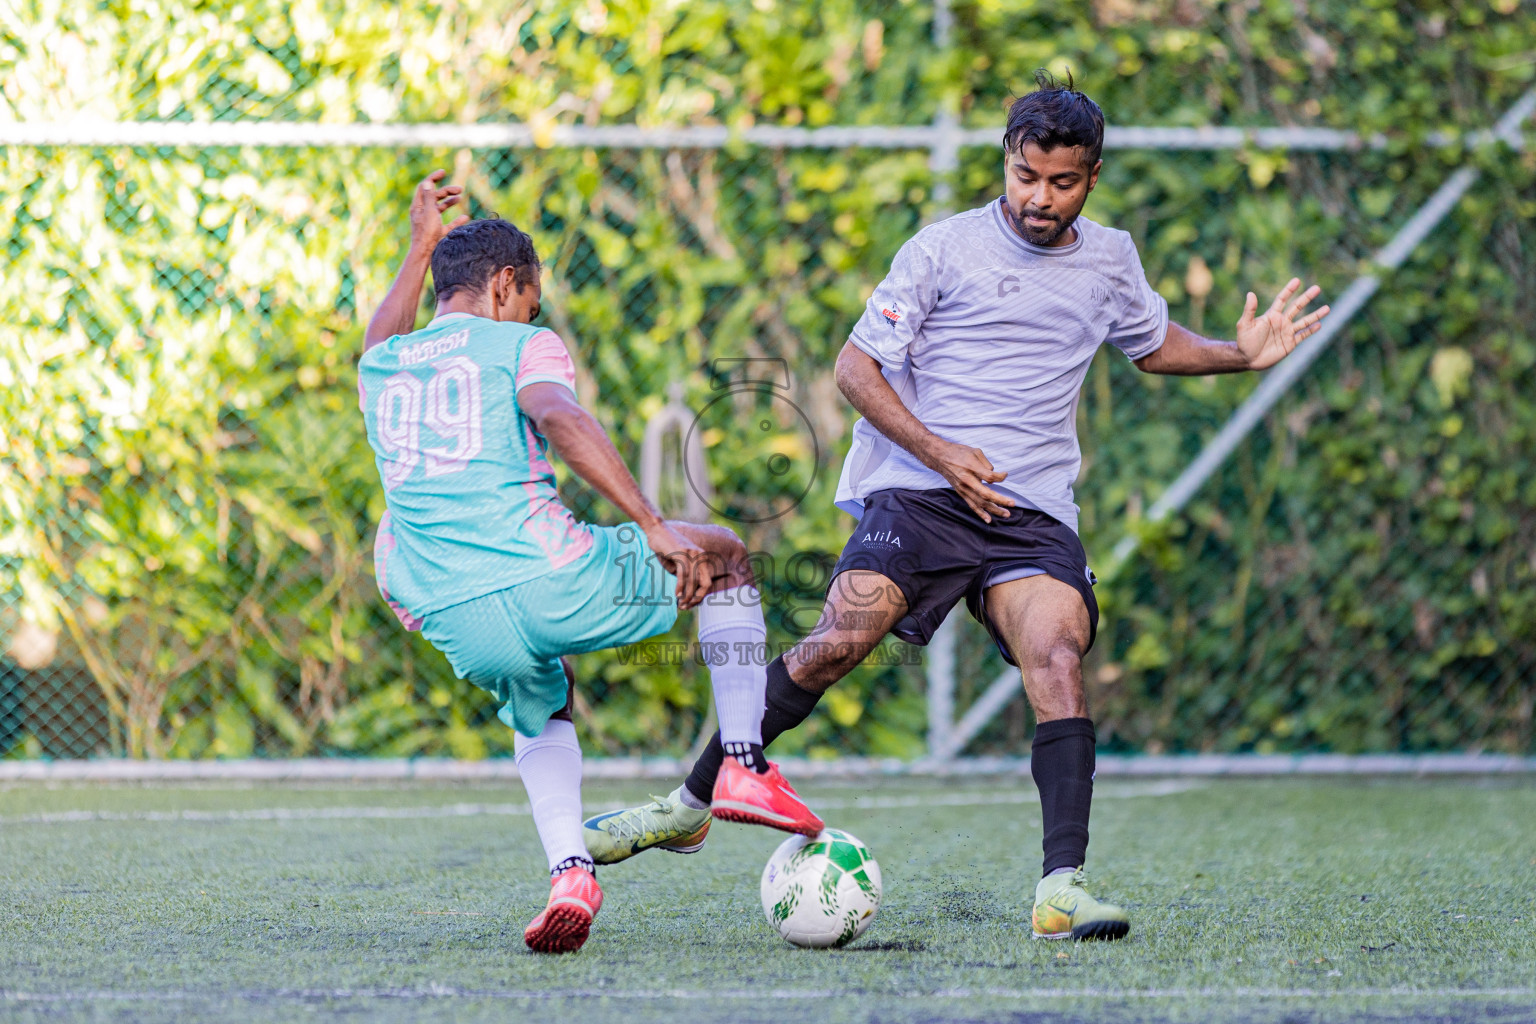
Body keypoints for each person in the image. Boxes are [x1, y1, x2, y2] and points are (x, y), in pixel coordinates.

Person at [584, 72, 1331, 942]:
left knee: (1056, 656)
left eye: (1062, 182)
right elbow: (854, 370)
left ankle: (1062, 888)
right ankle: (690, 804)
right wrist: (940, 452)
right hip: (918, 491)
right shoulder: (942, 248)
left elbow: (1152, 343)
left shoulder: (1111, 257)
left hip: (1031, 511)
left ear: (1091, 176)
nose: (1040, 198)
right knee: (838, 640)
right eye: (1025, 176)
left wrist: (1239, 355)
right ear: (1005, 162)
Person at [358, 172, 823, 954]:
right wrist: (650, 524)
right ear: (508, 285)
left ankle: (570, 870)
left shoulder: (384, 366)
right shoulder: (523, 343)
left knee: (545, 699)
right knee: (728, 557)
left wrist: (419, 247)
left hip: (449, 610)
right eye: (529, 300)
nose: (532, 315)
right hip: (548, 578)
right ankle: (742, 762)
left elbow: (379, 337)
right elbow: (559, 414)